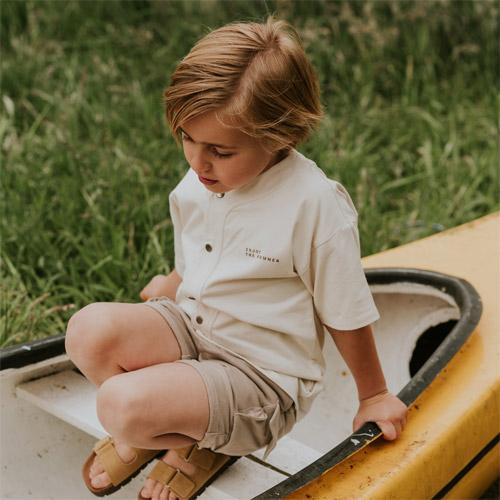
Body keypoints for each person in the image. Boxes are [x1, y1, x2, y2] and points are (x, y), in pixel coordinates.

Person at [65, 17, 408, 500]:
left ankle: (196, 445)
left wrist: (373, 395)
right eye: (187, 137)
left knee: (119, 405)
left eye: (220, 151)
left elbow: (345, 311)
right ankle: (164, 426)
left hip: (259, 378)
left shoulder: (313, 205)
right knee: (87, 331)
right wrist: (173, 282)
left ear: (281, 135)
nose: (196, 161)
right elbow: (199, 254)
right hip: (196, 329)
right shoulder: (204, 179)